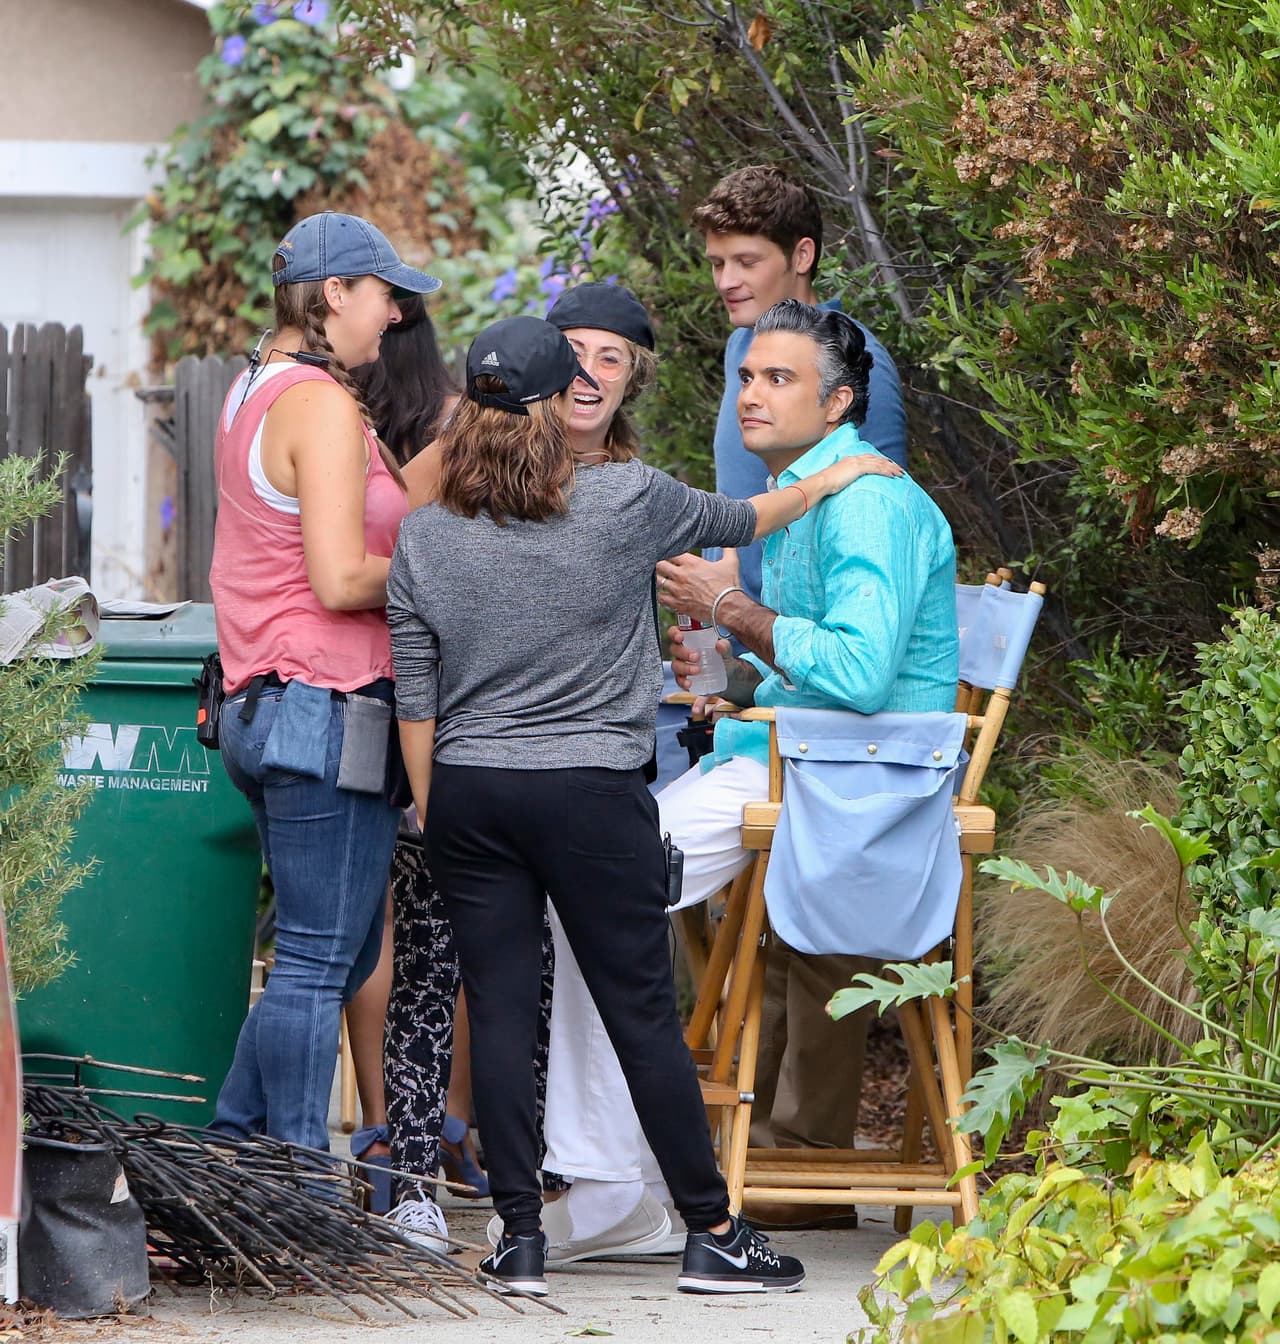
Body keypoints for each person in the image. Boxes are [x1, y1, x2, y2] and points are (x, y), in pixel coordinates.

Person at [386, 314, 893, 1295]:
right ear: (547, 408)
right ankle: (709, 1232)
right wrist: (833, 478)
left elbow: (418, 696)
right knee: (639, 1012)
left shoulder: (423, 538)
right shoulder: (627, 499)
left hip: (470, 795)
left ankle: (520, 1240)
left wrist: (429, 804)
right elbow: (747, 519)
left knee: (495, 1011)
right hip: (590, 793)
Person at [535, 299, 955, 1256]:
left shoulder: (870, 504)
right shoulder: (811, 498)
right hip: (799, 761)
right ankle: (620, 1178)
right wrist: (737, 681)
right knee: (585, 884)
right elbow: (825, 673)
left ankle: (614, 1189)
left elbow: (858, 673)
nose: (751, 396)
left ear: (840, 402)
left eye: (780, 380)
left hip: (854, 786)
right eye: (747, 377)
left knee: (587, 885)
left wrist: (730, 607)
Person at [207, 210, 440, 1159]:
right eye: (383, 294)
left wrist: (476, 445)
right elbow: (344, 578)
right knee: (316, 958)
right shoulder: (323, 406)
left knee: (331, 952)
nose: (392, 316)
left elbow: (368, 510)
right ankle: (300, 1188)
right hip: (327, 706)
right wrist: (447, 571)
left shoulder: (254, 391)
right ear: (333, 294)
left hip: (266, 707)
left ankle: (227, 1154)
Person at [344, 299, 469, 1233]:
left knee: (369, 920)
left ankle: (381, 1127)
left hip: (348, 679)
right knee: (447, 928)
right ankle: (448, 1130)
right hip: (437, 685)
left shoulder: (339, 415)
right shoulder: (457, 425)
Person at [691, 164, 908, 609]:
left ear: (802, 256)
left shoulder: (853, 362)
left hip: (799, 651)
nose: (726, 281)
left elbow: (888, 519)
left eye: (746, 262)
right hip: (729, 635)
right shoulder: (742, 345)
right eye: (717, 263)